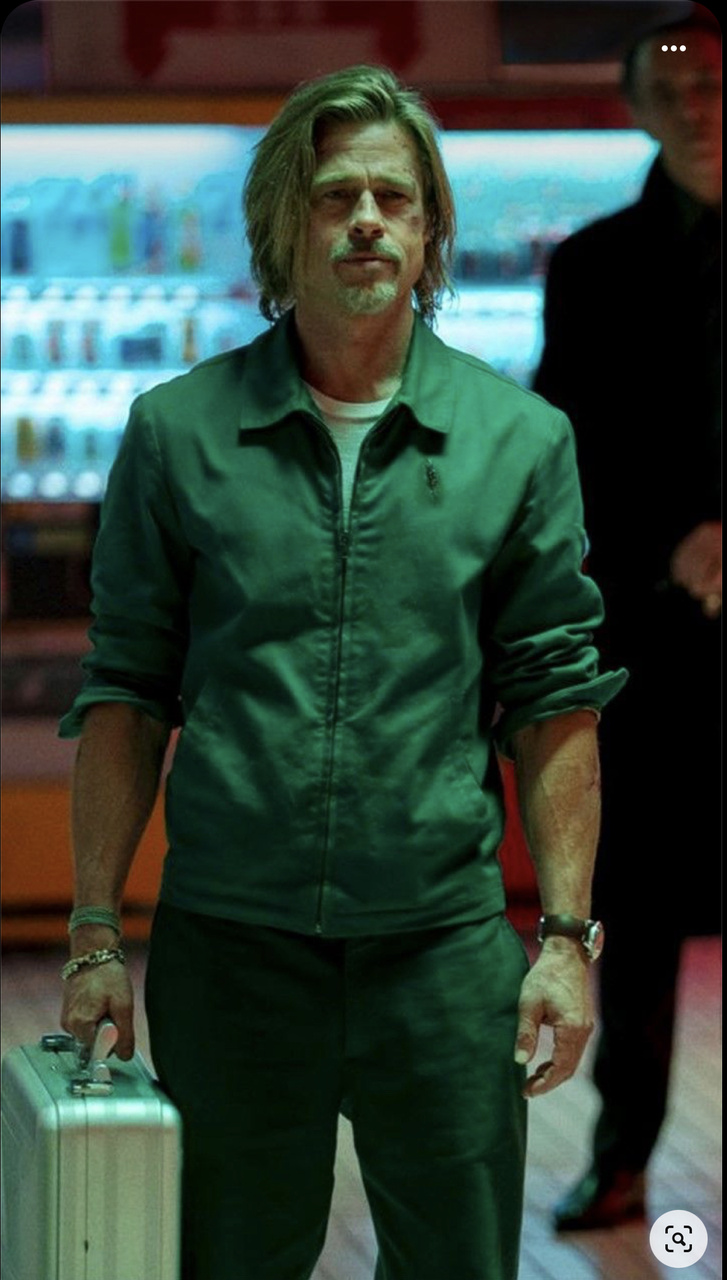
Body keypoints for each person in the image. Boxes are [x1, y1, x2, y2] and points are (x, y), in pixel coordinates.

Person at [59, 65, 626, 1280]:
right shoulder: (178, 431)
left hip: (442, 952)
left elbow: (553, 700)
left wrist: (565, 938)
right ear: (286, 224)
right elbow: (126, 690)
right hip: (233, 949)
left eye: (393, 197)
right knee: (228, 1259)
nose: (366, 220)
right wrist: (95, 933)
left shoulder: (520, 440)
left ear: (428, 232)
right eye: (333, 196)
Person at [533, 9, 721, 1232]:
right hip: (649, 642)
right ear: (636, 109)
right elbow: (568, 448)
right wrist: (672, 543)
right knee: (640, 914)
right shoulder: (594, 265)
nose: (696, 106)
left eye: (714, 85)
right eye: (673, 90)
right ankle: (623, 1159)